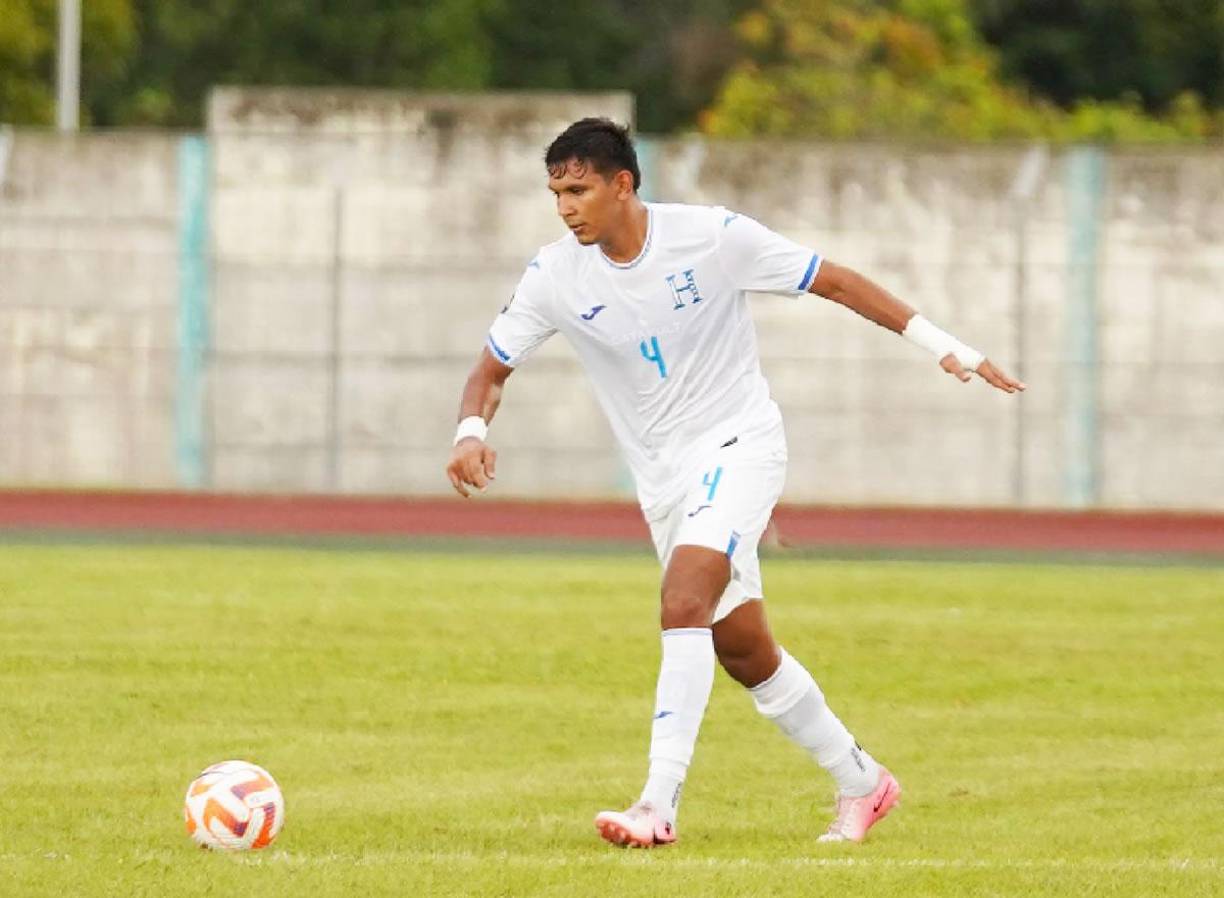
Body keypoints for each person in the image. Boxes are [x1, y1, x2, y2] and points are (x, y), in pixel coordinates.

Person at [445, 118, 1025, 848]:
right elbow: (491, 369)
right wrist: (471, 433)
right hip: (662, 480)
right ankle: (863, 782)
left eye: (579, 190)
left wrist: (945, 346)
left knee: (683, 597)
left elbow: (834, 280)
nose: (565, 207)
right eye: (556, 192)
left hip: (740, 444)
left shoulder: (713, 238)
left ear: (623, 185)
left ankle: (657, 806)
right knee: (742, 648)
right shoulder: (555, 275)